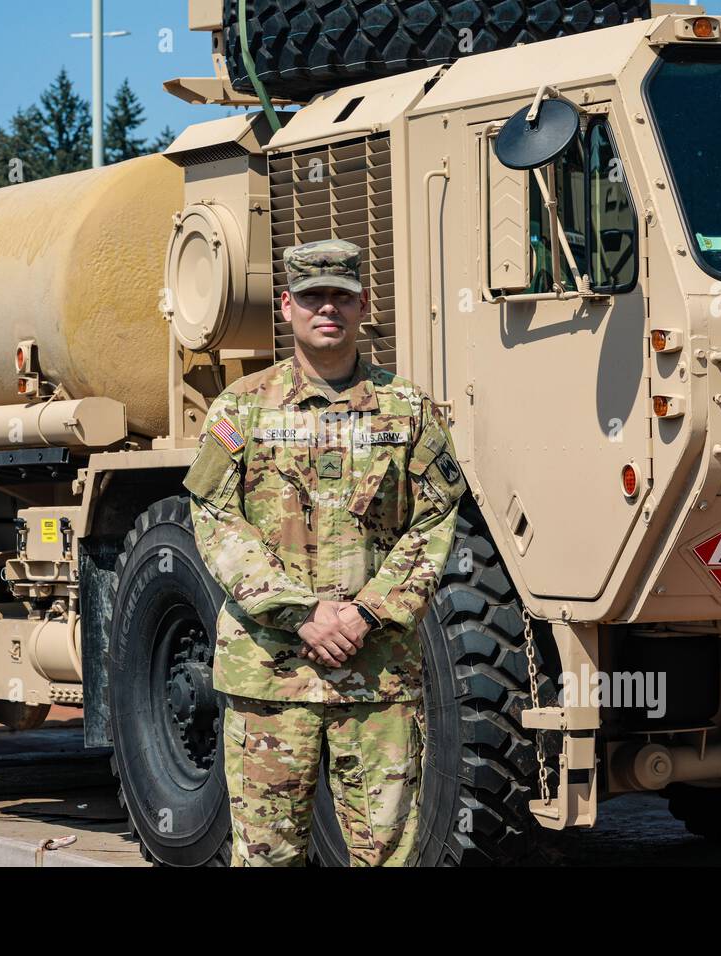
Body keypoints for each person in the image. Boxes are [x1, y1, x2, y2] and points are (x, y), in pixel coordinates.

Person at [183, 238, 465, 866]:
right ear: (287, 306)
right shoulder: (241, 409)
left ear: (363, 305)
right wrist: (299, 614)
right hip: (271, 674)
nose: (327, 309)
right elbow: (214, 518)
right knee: (266, 856)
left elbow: (435, 517)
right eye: (313, 297)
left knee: (385, 855)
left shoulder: (410, 410)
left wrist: (366, 614)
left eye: (341, 296)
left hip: (377, 675)